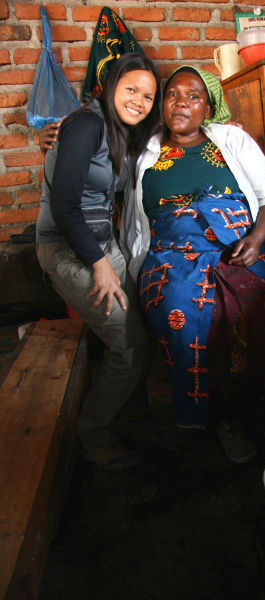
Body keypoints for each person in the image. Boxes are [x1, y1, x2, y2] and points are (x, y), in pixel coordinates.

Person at [118, 66, 265, 464]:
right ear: (162, 103)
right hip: (171, 253)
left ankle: (260, 398)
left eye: (193, 97)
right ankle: (222, 414)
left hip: (240, 242)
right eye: (173, 94)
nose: (182, 103)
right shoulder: (143, 150)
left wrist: (256, 240)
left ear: (208, 107)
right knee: (184, 313)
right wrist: (56, 136)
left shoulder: (232, 139)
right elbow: (94, 153)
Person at [36, 53, 163, 470]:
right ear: (111, 86)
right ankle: (91, 431)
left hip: (102, 246)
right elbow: (65, 203)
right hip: (70, 250)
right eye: (131, 90)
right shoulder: (87, 124)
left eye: (148, 96)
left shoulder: (123, 131)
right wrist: (100, 264)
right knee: (128, 344)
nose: (139, 101)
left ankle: (124, 404)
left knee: (137, 331)